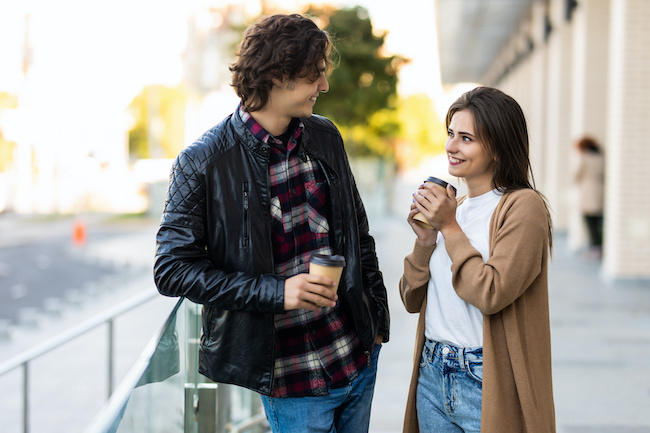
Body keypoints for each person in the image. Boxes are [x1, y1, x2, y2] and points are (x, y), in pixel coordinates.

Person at [153, 13, 389, 433]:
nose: (325, 86)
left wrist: (377, 325)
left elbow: (359, 234)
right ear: (280, 76)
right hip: (289, 380)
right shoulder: (202, 161)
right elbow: (171, 270)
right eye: (316, 75)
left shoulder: (325, 137)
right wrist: (278, 292)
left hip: (355, 358)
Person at [399, 87, 555, 432]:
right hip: (433, 372)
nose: (451, 147)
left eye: (466, 138)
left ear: (498, 147)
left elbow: (491, 293)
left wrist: (449, 228)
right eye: (451, 134)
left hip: (485, 379)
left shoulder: (522, 207)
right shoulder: (457, 208)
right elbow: (410, 299)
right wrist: (426, 242)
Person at [573, 136, 605, 258]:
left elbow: (576, 174)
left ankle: (595, 247)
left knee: (589, 221)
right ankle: (597, 246)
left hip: (587, 191)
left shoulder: (584, 157)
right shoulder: (601, 157)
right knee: (597, 221)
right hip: (599, 190)